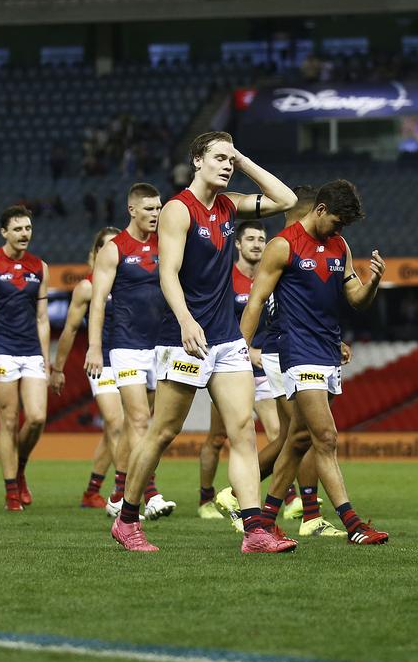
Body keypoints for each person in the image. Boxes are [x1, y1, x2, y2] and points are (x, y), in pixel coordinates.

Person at [108, 132, 297, 552]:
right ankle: (126, 520)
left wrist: (243, 158)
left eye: (230, 159)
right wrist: (185, 320)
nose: (227, 165)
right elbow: (168, 273)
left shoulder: (230, 206)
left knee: (244, 430)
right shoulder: (178, 209)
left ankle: (254, 532)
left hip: (226, 338)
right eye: (219, 158)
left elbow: (284, 199)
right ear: (197, 161)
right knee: (163, 431)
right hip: (185, 338)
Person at [240, 179, 389, 545]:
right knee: (326, 436)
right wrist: (239, 352)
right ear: (319, 210)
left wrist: (372, 283)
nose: (339, 230)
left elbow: (354, 296)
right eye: (336, 222)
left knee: (299, 439)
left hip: (327, 349)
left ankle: (266, 520)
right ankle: (353, 524)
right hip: (297, 350)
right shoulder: (282, 246)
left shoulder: (339, 245)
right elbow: (256, 301)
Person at [84, 183, 176, 520]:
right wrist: (95, 347)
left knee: (143, 426)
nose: (156, 214)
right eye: (149, 208)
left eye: (159, 207)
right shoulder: (114, 249)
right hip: (125, 346)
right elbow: (97, 303)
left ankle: (118, 493)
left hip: (161, 345)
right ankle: (149, 492)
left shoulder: (166, 244)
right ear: (132, 210)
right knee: (139, 419)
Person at [196, 220, 282, 517]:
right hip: (231, 368)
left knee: (278, 434)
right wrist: (247, 350)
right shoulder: (226, 279)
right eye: (251, 239)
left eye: (262, 239)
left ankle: (282, 497)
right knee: (218, 438)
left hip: (263, 368)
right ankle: (206, 499)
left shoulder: (270, 278)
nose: (257, 244)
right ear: (237, 244)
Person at [0, 205, 49, 512]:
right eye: (18, 229)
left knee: (38, 417)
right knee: (8, 419)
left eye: (28, 228)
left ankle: (20, 466)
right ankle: (11, 491)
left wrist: (47, 359)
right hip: (0, 349)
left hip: (31, 352)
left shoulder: (40, 267)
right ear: (4, 232)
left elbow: (42, 318)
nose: (24, 234)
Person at [51, 226, 122, 509]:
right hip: (101, 362)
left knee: (118, 431)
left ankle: (92, 491)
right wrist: (58, 369)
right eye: (105, 247)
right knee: (117, 425)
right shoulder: (88, 286)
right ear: (95, 253)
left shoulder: (134, 283)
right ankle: (125, 494)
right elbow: (69, 330)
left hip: (135, 360)